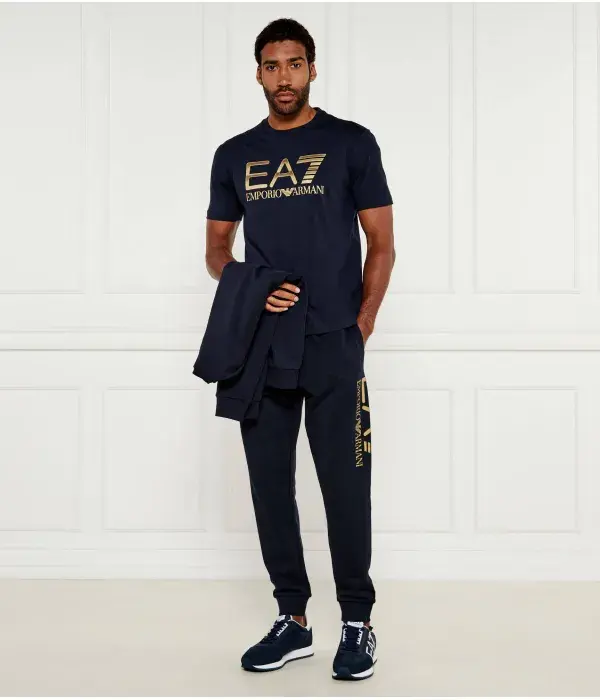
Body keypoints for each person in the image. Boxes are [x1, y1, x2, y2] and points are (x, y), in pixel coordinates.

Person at [204, 17, 395, 681]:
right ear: (257, 73)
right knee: (269, 486)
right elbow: (216, 250)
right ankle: (293, 619)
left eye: (294, 63)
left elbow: (381, 243)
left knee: (346, 484)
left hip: (334, 342)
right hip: (262, 345)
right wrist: (251, 287)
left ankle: (357, 622)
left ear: (312, 68)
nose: (283, 77)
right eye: (271, 65)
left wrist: (362, 324)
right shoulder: (234, 155)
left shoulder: (350, 143)